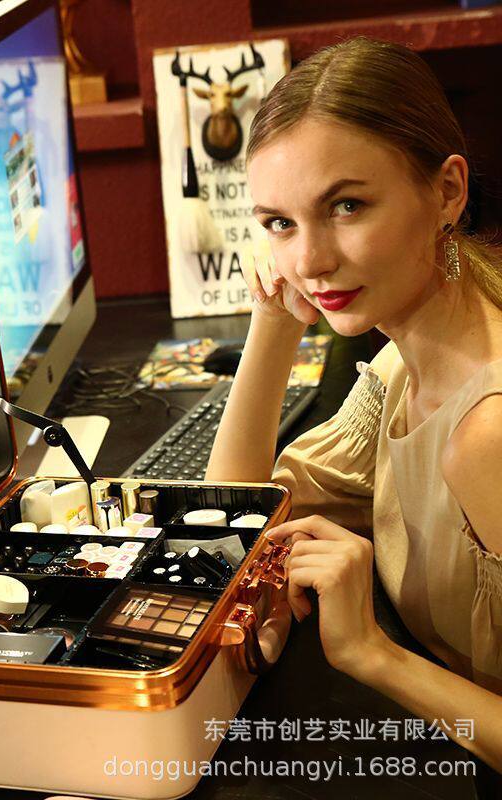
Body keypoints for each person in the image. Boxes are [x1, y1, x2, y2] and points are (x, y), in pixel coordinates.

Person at [206, 36, 502, 774]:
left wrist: (372, 654)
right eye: (279, 223)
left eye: (346, 206)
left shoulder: (489, 431)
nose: (309, 261)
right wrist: (274, 325)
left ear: (448, 191)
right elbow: (234, 518)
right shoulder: (406, 361)